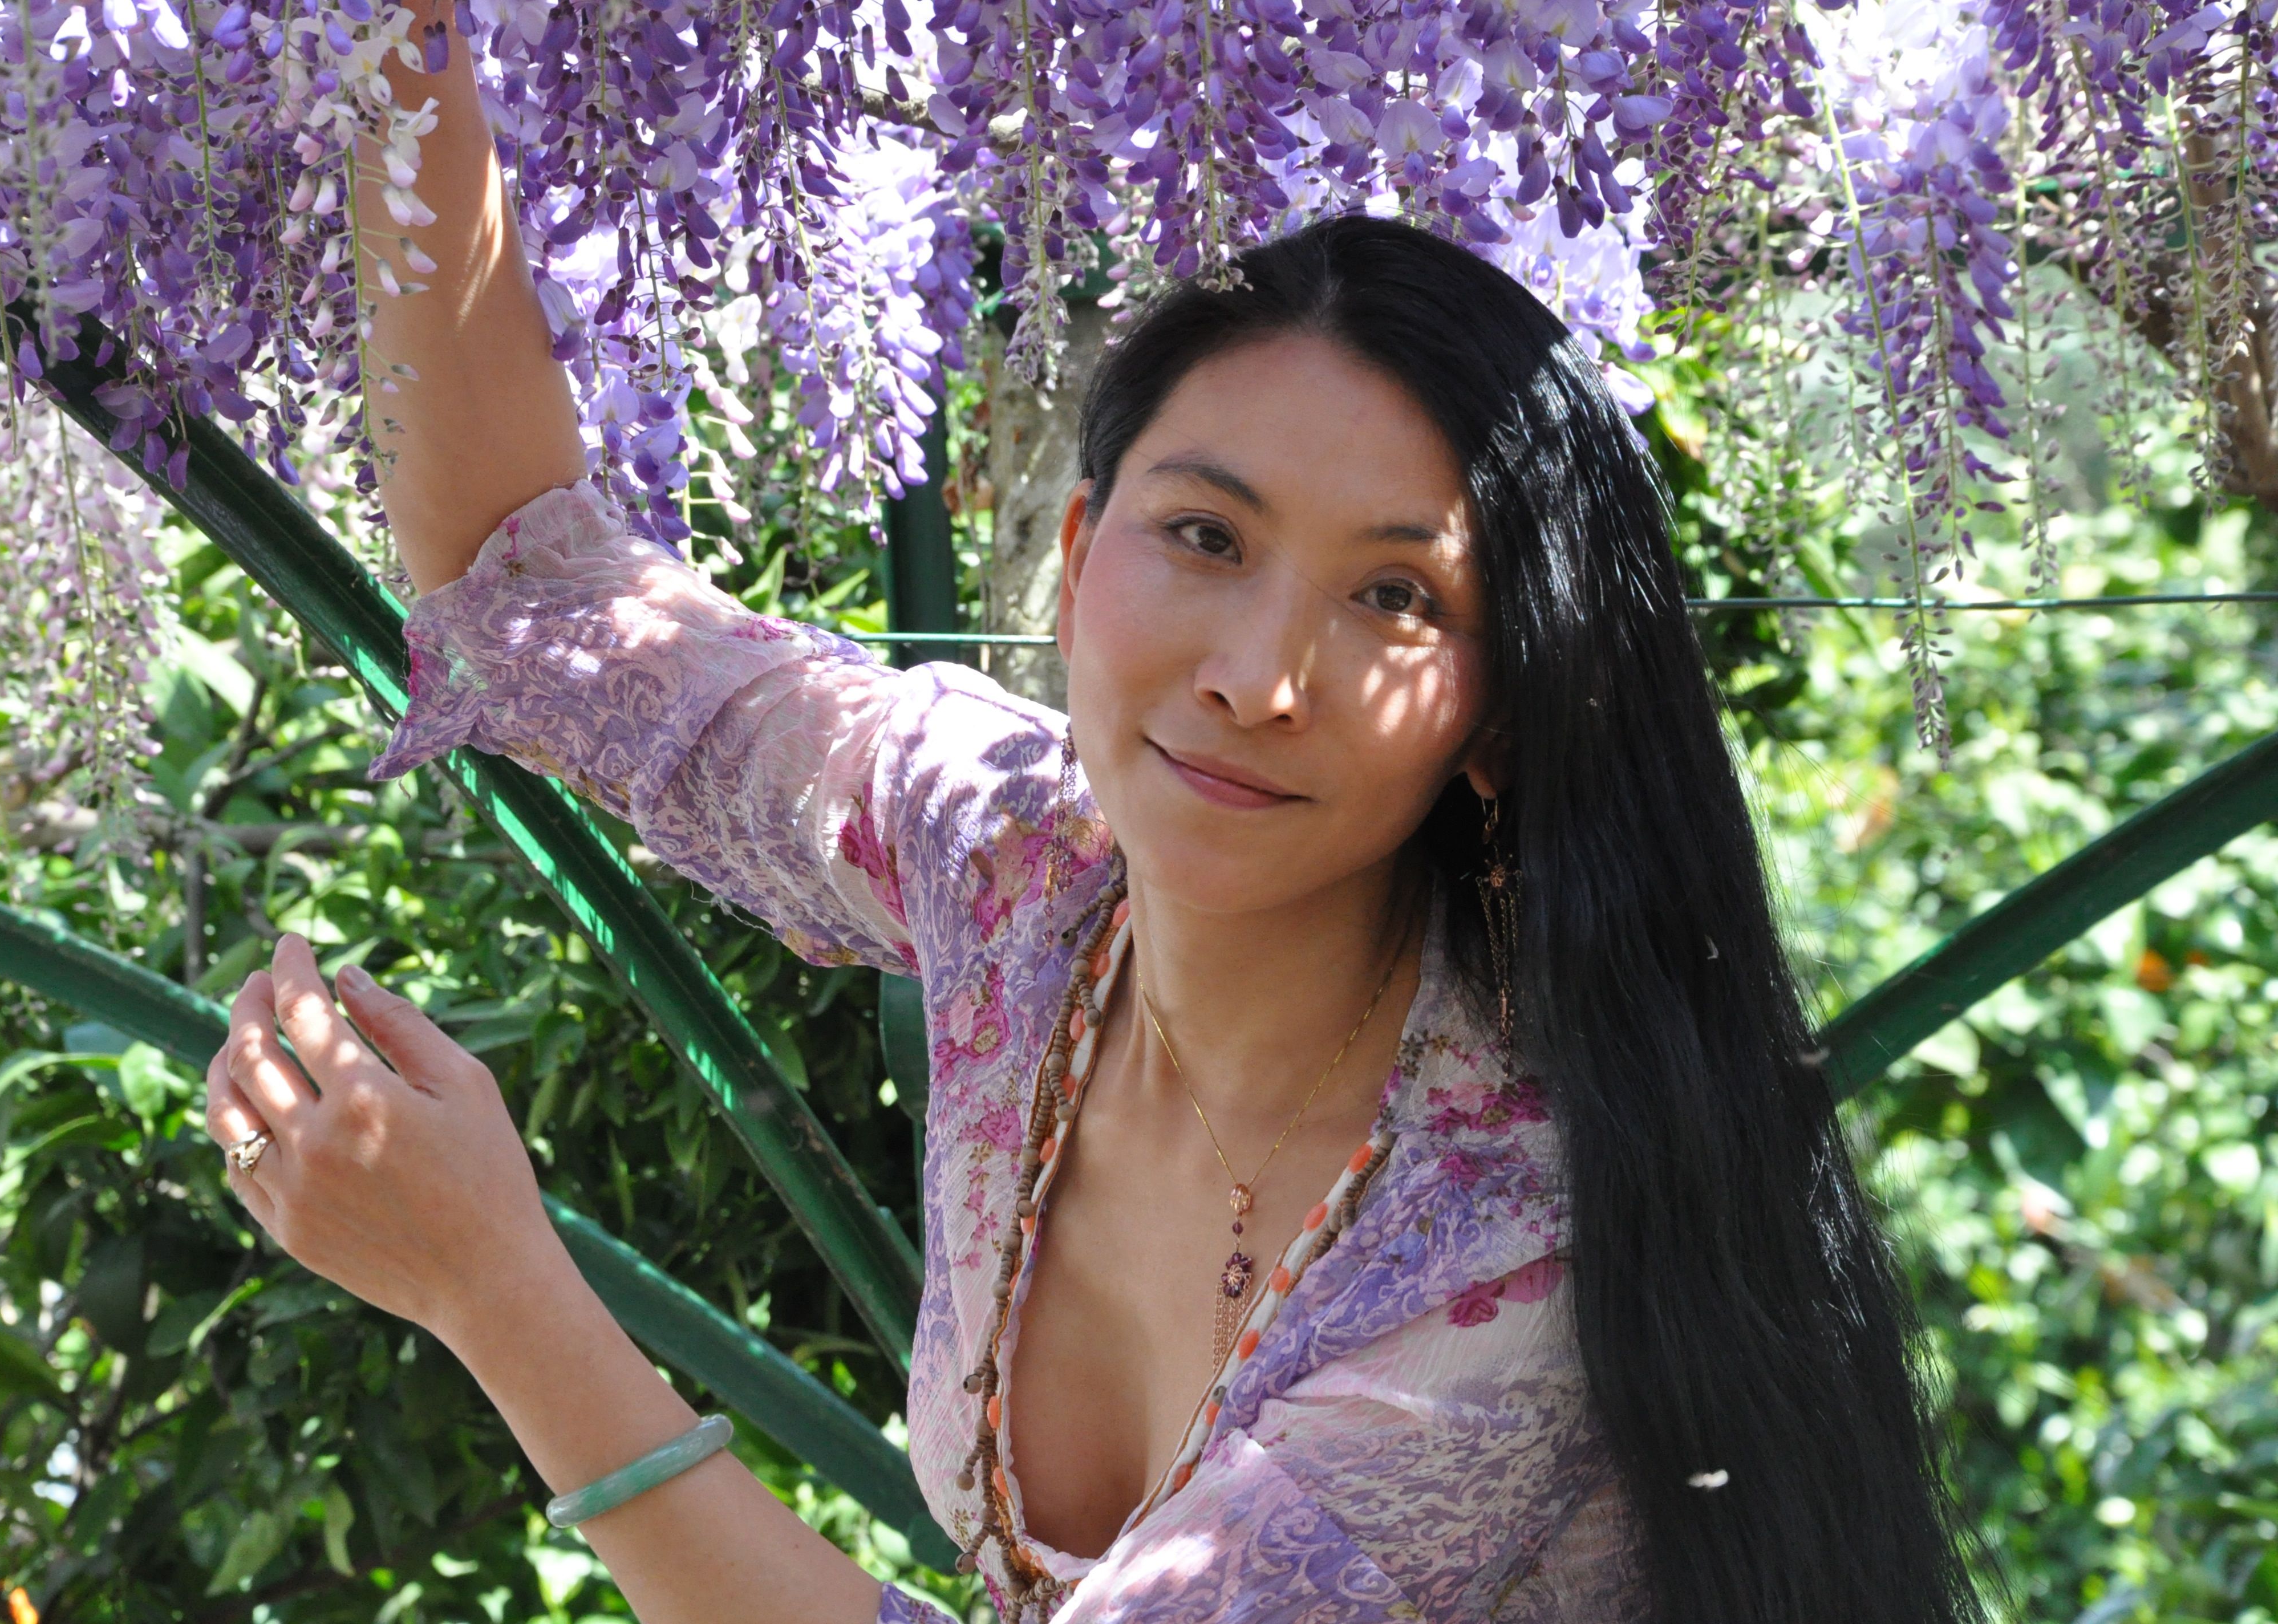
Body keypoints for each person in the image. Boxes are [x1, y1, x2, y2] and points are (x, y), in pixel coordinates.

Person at [201, 9, 1979, 1622]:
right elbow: (541, 601)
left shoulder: (1513, 1256)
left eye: (1397, 602)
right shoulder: (1021, 856)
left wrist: (501, 1291)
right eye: (1205, 538)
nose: (1259, 676)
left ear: (1501, 715)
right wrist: (400, 50)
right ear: (1073, 563)